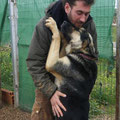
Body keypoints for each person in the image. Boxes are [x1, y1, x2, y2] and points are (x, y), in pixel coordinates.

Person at [26, 0, 98, 120]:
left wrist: (85, 88)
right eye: (79, 12)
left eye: (86, 13)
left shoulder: (89, 24)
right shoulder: (45, 26)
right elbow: (34, 63)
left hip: (75, 90)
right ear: (67, 7)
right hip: (47, 83)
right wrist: (51, 91)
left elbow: (93, 57)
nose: (83, 19)